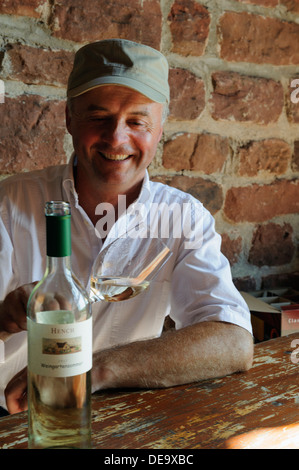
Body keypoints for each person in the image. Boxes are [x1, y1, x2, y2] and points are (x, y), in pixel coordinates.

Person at [0, 39, 253, 415]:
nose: (117, 139)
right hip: (13, 416)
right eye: (98, 117)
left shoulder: (184, 218)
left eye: (137, 121)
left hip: (123, 418)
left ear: (161, 126)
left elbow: (233, 341)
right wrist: (3, 316)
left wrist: (94, 368)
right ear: (69, 118)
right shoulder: (8, 204)